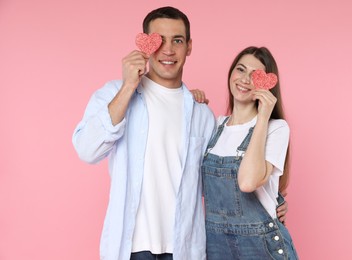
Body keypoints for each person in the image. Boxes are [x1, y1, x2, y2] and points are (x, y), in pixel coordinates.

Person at [73, 6, 289, 260]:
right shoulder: (114, 94)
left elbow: (219, 178)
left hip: (183, 247)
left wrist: (273, 201)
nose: (167, 50)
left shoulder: (202, 115)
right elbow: (87, 150)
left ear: (189, 47)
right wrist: (128, 86)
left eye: (177, 40)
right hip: (130, 246)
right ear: (145, 45)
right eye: (158, 40)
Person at [201, 46, 299, 259]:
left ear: (268, 83)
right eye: (241, 69)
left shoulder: (276, 127)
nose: (245, 79)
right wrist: (189, 100)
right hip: (216, 248)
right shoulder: (213, 126)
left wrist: (263, 117)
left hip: (261, 248)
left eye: (256, 75)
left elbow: (247, 182)